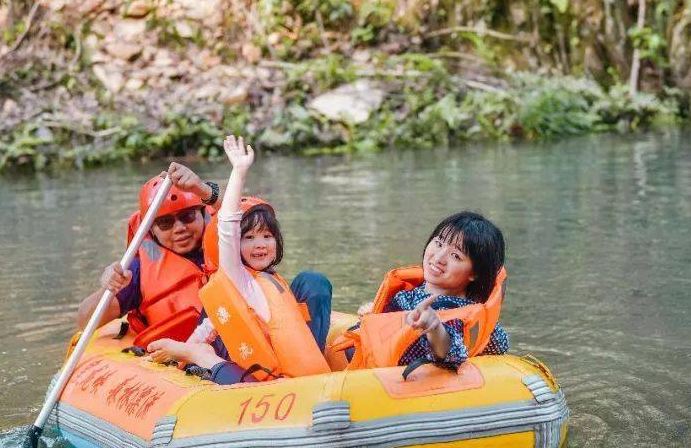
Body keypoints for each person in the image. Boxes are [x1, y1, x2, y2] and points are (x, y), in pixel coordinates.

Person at [144, 136, 332, 385]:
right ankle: (198, 355)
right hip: (248, 373)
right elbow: (229, 224)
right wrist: (239, 171)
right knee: (239, 377)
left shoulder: (273, 282)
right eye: (250, 238)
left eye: (267, 236)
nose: (260, 244)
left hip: (290, 373)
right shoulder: (238, 277)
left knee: (314, 281)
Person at [343, 211, 510, 372]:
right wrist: (375, 318)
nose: (438, 258)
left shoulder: (456, 315)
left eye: (456, 256)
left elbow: (452, 350)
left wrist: (434, 327)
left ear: (475, 273)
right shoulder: (408, 295)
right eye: (438, 243)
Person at [76, 162, 220, 340]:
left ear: (203, 214)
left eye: (187, 216)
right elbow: (84, 322)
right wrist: (108, 288)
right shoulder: (137, 271)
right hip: (176, 360)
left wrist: (204, 190)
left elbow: (252, 214)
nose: (179, 228)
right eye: (165, 223)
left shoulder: (231, 242)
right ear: (152, 230)